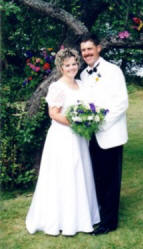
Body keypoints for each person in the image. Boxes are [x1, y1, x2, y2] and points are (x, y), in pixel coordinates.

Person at [26, 48, 100, 236]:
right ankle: (60, 220)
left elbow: (87, 107)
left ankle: (81, 218)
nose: (72, 67)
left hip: (79, 138)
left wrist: (87, 120)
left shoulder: (82, 84)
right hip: (63, 137)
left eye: (74, 64)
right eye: (67, 65)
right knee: (64, 175)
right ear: (61, 67)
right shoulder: (57, 87)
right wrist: (75, 122)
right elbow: (54, 113)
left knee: (79, 173)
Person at [80, 34, 128, 235]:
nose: (86, 53)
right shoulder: (83, 75)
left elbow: (122, 103)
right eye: (83, 50)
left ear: (98, 48)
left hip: (111, 133)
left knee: (110, 179)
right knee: (97, 177)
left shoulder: (113, 70)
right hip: (92, 135)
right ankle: (100, 214)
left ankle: (109, 223)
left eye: (89, 49)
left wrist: (101, 123)